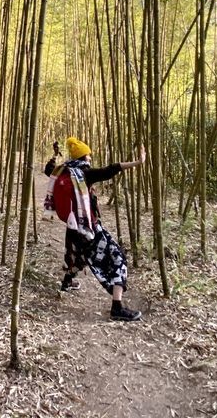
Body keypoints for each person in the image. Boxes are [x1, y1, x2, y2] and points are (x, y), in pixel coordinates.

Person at [43, 136, 144, 322]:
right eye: (88, 156)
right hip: (88, 229)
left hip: (73, 227)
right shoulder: (84, 174)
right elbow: (110, 170)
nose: (90, 159)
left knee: (76, 255)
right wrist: (137, 162)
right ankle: (117, 307)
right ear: (83, 158)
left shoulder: (61, 171)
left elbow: (47, 168)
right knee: (117, 257)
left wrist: (55, 155)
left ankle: (66, 284)